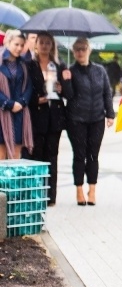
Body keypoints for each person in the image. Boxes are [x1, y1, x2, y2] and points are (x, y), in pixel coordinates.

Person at [66, 37, 115, 205]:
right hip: (76, 119)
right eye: (77, 49)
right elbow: (68, 95)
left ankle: (92, 189)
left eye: (83, 48)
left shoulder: (100, 70)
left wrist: (110, 114)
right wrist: (65, 81)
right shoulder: (70, 71)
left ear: (89, 50)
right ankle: (79, 189)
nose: (80, 52)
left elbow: (107, 93)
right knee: (79, 155)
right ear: (73, 52)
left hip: (97, 118)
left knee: (93, 155)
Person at [26, 31, 73, 205]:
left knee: (52, 156)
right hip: (37, 114)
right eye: (42, 42)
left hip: (55, 117)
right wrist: (35, 99)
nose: (45, 45)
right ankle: (36, 193)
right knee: (36, 154)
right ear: (36, 44)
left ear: (52, 45)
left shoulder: (59, 65)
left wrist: (65, 83)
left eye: (48, 43)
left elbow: (69, 94)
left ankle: (50, 196)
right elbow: (26, 88)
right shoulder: (30, 65)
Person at [0, 29, 34, 159]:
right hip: (2, 112)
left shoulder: (23, 63)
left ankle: (13, 180)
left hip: (20, 112)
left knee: (16, 155)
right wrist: (8, 104)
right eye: (16, 44)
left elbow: (29, 86)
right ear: (8, 42)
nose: (19, 48)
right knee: (1, 155)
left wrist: (22, 102)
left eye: (21, 45)